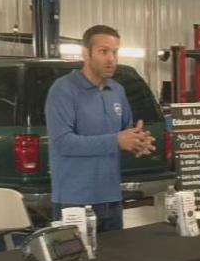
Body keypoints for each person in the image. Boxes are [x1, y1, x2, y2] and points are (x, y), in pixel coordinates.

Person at [45, 25, 156, 232]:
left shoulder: (117, 91)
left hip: (111, 198)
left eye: (115, 52)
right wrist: (116, 140)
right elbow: (63, 143)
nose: (111, 59)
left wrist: (138, 141)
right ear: (85, 53)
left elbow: (125, 132)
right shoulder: (63, 90)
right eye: (103, 51)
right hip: (75, 201)